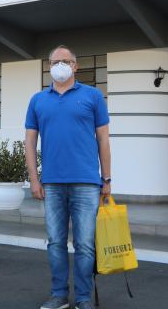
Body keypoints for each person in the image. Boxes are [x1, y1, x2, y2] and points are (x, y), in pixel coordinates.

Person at [24, 45, 111, 309]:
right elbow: (29, 142)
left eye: (65, 61)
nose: (59, 65)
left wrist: (106, 179)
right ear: (49, 66)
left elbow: (103, 139)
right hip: (51, 183)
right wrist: (34, 179)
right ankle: (59, 295)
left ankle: (84, 298)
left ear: (75, 65)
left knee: (85, 245)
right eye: (54, 61)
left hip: (86, 183)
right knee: (56, 243)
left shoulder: (93, 96)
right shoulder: (38, 100)